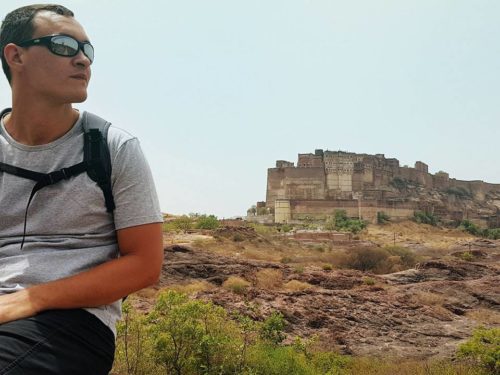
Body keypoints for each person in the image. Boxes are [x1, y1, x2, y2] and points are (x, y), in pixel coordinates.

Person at [0, 4, 164, 374]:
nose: (82, 61)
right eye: (64, 45)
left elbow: (145, 264)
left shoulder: (112, 147)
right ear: (16, 55)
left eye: (87, 51)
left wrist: (29, 299)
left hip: (73, 322)